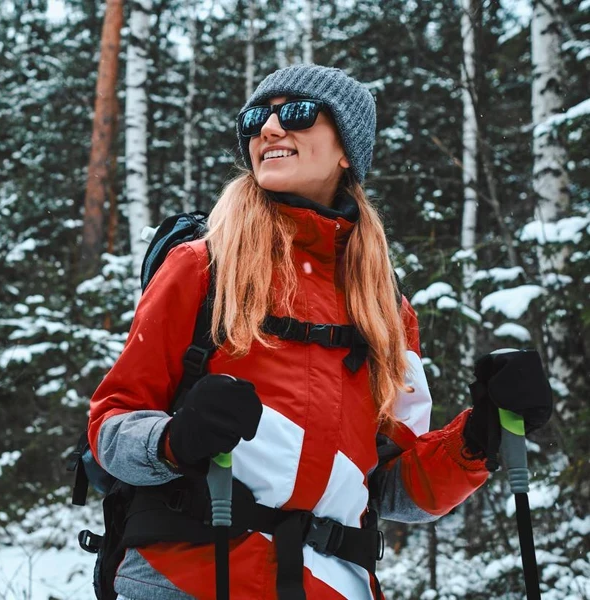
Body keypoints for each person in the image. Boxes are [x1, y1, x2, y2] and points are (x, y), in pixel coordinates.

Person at [87, 64, 552, 600]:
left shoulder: (384, 308)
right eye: (257, 118)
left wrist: (482, 434)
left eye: (299, 114)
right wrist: (174, 440)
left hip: (335, 584)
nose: (270, 129)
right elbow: (110, 429)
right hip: (192, 578)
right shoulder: (202, 267)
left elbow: (393, 488)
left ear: (347, 150)